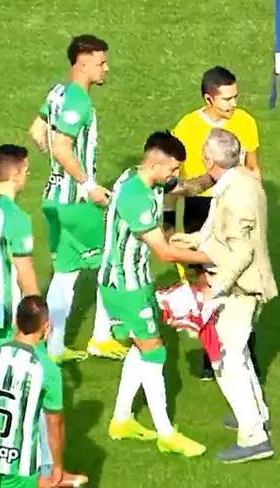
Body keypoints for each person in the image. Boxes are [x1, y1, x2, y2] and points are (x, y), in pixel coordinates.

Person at [99, 131, 212, 457]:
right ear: (155, 162)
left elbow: (181, 189)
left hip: (135, 281)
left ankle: (121, 419)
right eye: (173, 169)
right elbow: (163, 251)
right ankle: (166, 433)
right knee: (155, 353)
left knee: (141, 346)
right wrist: (210, 257)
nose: (175, 176)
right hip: (126, 286)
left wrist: (212, 177)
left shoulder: (138, 178)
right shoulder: (135, 198)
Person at [169, 128, 276, 463]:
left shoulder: (234, 195)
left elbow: (240, 252)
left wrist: (215, 290)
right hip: (241, 283)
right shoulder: (240, 181)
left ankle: (254, 436)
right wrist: (188, 240)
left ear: (209, 159)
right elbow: (218, 232)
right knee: (238, 352)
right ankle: (256, 413)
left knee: (226, 359)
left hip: (239, 287)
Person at [28, 34, 126, 363]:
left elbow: (36, 132)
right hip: (75, 203)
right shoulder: (79, 101)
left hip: (52, 198)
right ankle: (101, 337)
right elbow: (61, 146)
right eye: (101, 63)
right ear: (81, 63)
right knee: (109, 265)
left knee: (65, 273)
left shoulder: (56, 92)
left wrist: (58, 169)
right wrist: (87, 184)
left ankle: (54, 348)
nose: (106, 69)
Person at [167, 66, 261, 380]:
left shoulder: (245, 122)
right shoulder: (187, 127)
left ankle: (248, 354)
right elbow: (177, 181)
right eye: (226, 99)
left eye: (235, 97)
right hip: (200, 208)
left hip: (234, 207)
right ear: (209, 98)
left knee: (240, 282)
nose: (233, 105)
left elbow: (253, 167)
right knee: (207, 283)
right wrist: (205, 184)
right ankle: (213, 357)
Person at [0, 296, 64, 488]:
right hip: (19, 464)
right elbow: (55, 423)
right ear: (46, 327)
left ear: (15, 321)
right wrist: (58, 467)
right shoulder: (48, 370)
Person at [0, 145, 39, 339]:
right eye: (26, 170)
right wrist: (37, 317)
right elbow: (25, 273)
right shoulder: (16, 218)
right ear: (16, 174)